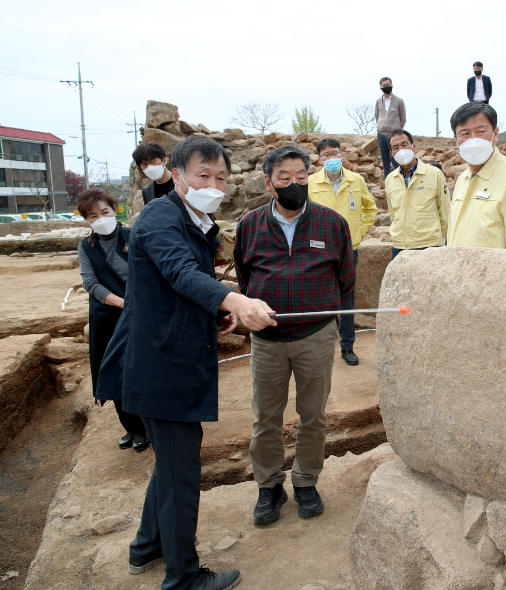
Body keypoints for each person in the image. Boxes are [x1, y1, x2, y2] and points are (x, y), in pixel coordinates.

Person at [97, 135, 275, 590]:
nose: (213, 184)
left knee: (172, 465)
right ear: (177, 175)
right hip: (161, 364)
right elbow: (179, 271)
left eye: (221, 177)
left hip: (173, 354)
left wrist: (217, 310)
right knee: (181, 477)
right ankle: (184, 578)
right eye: (203, 175)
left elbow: (175, 288)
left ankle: (147, 545)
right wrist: (236, 297)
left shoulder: (195, 217)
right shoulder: (160, 216)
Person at [233, 145, 355, 526]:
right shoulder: (249, 225)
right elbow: (243, 280)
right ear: (269, 183)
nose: (294, 184)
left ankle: (305, 481)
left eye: (301, 176)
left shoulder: (332, 223)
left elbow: (345, 279)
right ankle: (269, 486)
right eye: (284, 178)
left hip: (315, 336)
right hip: (267, 341)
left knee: (313, 415)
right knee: (266, 417)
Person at [77, 188, 149, 452]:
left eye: (104, 212)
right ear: (87, 220)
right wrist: (120, 302)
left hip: (141, 313)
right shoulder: (86, 247)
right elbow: (90, 282)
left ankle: (146, 426)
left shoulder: (134, 235)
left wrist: (136, 302)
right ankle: (130, 427)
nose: (100, 219)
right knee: (112, 370)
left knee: (137, 370)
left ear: (114, 210)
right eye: (93, 216)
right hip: (107, 316)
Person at [308, 138, 377, 366]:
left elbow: (370, 208)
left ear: (341, 155)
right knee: (318, 297)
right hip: (320, 249)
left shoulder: (356, 180)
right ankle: (318, 346)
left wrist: (360, 232)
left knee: (347, 298)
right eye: (326, 155)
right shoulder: (310, 183)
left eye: (334, 153)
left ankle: (347, 346)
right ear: (319, 159)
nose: (331, 158)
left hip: (349, 249)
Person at [447, 102, 506, 249]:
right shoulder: (463, 179)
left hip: (493, 271)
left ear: (495, 134)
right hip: (459, 270)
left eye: (481, 131)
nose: (473, 140)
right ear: (456, 140)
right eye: (465, 134)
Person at [385, 129, 450, 258]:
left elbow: (445, 209)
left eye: (404, 145)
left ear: (413, 146)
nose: (401, 150)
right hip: (400, 246)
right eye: (395, 147)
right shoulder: (390, 179)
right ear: (392, 153)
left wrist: (436, 236)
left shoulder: (434, 174)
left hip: (429, 245)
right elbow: (393, 213)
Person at [374, 77, 406, 178]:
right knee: (385, 159)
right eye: (384, 85)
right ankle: (388, 180)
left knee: (395, 158)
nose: (386, 87)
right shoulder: (378, 101)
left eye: (388, 85)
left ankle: (400, 178)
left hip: (393, 134)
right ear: (380, 88)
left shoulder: (399, 101)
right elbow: (377, 116)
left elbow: (403, 118)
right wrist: (380, 126)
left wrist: (396, 130)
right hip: (381, 133)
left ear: (392, 85)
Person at [132, 141, 175, 205]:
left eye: (152, 161)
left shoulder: (182, 183)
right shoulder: (147, 192)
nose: (149, 167)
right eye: (144, 164)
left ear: (164, 160)